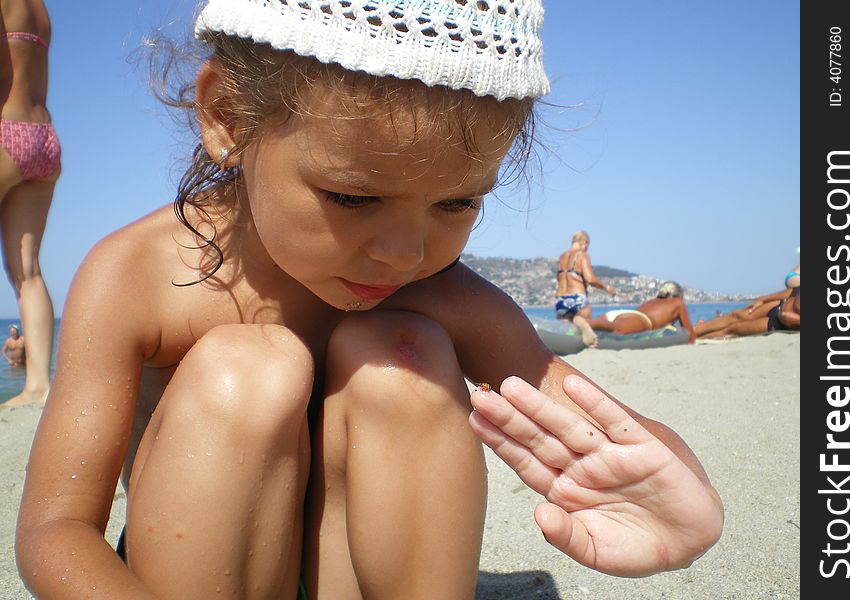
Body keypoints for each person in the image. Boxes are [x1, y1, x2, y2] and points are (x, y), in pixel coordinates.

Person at [16, 2, 723, 598]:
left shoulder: (441, 295)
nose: (404, 254)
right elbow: (57, 528)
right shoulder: (137, 277)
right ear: (228, 116)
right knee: (248, 368)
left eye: (456, 202)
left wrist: (680, 502)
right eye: (353, 196)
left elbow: (599, 429)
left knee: (400, 357)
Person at [0, 0, 58, 406]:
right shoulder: (39, 9)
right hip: (44, 138)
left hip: (6, 130)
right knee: (28, 272)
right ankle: (39, 385)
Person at [555, 230, 616, 347]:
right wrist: (607, 288)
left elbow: (559, 278)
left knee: (566, 325)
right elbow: (590, 278)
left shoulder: (562, 256)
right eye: (588, 245)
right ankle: (590, 339)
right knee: (584, 321)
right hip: (577, 296)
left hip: (561, 297)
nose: (587, 248)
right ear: (584, 242)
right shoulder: (582, 255)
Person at [588, 281, 697, 343]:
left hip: (622, 314)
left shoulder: (653, 301)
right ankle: (585, 324)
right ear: (680, 295)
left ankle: (583, 323)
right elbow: (689, 334)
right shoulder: (677, 302)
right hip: (642, 320)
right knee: (614, 328)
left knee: (600, 325)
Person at [695, 286, 800, 339]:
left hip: (780, 323)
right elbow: (794, 290)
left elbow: (788, 318)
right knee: (736, 315)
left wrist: (792, 319)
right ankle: (691, 332)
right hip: (780, 304)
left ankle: (695, 340)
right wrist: (764, 299)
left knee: (733, 329)